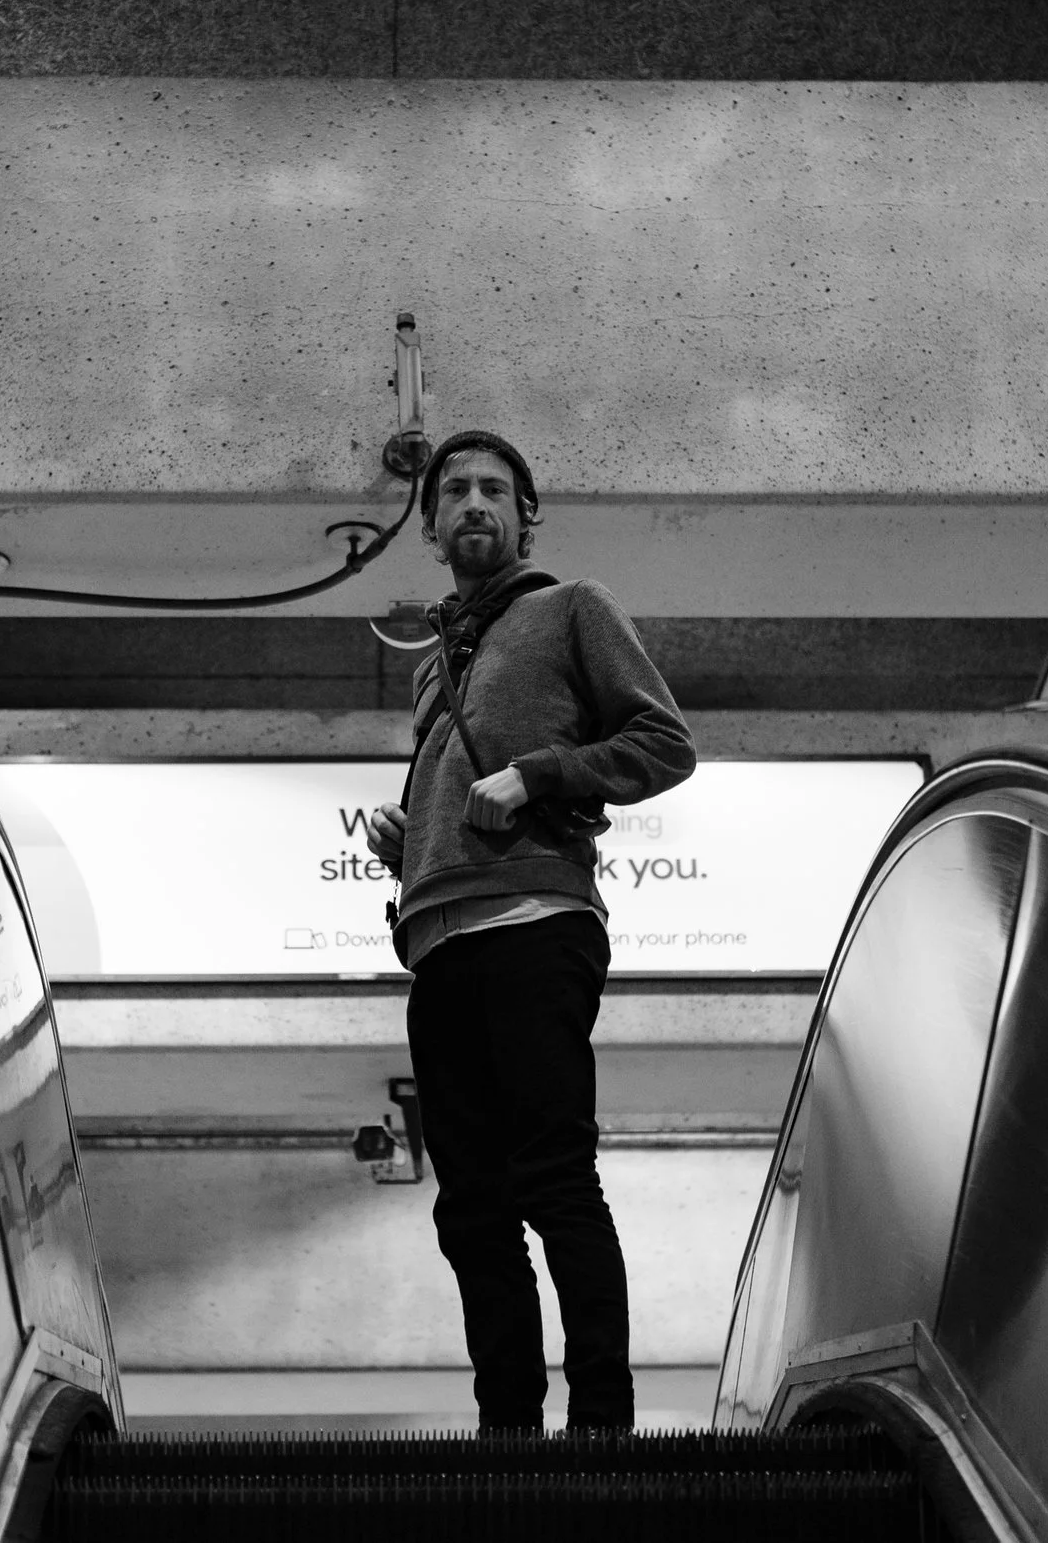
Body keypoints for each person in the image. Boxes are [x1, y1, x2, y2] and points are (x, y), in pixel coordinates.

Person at [362, 430, 695, 1433]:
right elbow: (469, 786)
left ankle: (601, 1419)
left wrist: (541, 773)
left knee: (551, 1172)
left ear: (523, 515)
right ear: (429, 525)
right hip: (439, 937)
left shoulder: (569, 609)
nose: (474, 502)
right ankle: (507, 1425)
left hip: (535, 919)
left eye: (494, 490)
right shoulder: (434, 668)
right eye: (455, 490)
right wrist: (405, 843)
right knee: (468, 1204)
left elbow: (663, 743)